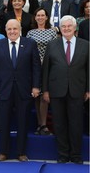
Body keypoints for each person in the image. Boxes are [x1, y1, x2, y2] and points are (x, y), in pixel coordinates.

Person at [0, 19, 41, 162]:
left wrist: (36, 86)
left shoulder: (30, 44)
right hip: (3, 90)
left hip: (24, 90)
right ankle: (3, 152)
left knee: (23, 121)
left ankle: (21, 152)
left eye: (15, 29)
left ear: (20, 30)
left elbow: (36, 67)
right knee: (3, 122)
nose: (12, 31)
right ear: (5, 30)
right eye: (9, 29)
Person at [42, 15, 89, 164]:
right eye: (64, 26)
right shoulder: (52, 45)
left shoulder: (86, 45)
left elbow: (89, 69)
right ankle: (63, 154)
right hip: (56, 91)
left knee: (76, 124)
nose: (66, 29)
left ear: (75, 28)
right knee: (59, 124)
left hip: (77, 90)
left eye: (69, 26)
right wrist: (46, 90)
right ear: (60, 29)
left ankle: (75, 155)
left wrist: (88, 90)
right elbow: (46, 69)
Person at [26, 8, 57, 135]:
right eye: (38, 15)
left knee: (45, 95)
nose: (40, 17)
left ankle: (44, 125)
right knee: (37, 95)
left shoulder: (52, 32)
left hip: (48, 66)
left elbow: (55, 49)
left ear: (46, 17)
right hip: (34, 67)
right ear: (35, 17)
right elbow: (27, 49)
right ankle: (40, 125)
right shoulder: (30, 33)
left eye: (42, 15)